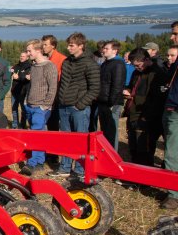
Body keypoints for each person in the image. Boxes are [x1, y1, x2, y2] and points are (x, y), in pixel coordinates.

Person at [48, 33, 100, 179]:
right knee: (66, 140)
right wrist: (60, 100)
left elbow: (95, 88)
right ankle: (65, 167)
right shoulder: (67, 62)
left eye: (71, 45)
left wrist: (80, 105)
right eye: (68, 45)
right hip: (63, 106)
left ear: (81, 46)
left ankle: (79, 169)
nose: (68, 48)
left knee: (80, 140)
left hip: (79, 108)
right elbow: (62, 84)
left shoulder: (90, 64)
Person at [123, 48, 168, 167]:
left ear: (147, 59)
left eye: (138, 65)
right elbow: (131, 86)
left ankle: (144, 178)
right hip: (133, 114)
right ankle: (135, 173)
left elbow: (157, 99)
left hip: (146, 117)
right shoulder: (137, 72)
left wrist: (145, 117)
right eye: (134, 65)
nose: (137, 68)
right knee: (133, 146)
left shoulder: (157, 74)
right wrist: (127, 91)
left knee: (145, 149)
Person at [21, 40, 58, 176]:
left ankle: (32, 164)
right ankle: (40, 162)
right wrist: (26, 102)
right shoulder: (34, 66)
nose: (28, 53)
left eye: (29, 51)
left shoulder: (49, 66)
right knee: (37, 134)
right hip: (30, 105)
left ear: (38, 50)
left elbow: (52, 89)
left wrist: (44, 107)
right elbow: (31, 86)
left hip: (41, 107)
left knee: (36, 135)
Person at [96, 40, 126, 150]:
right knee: (105, 131)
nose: (103, 50)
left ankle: (113, 156)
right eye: (104, 48)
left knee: (111, 131)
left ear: (115, 50)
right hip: (102, 101)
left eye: (106, 48)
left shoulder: (118, 64)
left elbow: (117, 85)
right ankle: (107, 155)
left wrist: (112, 103)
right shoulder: (105, 64)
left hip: (111, 103)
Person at [160, 22, 178, 208]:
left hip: (175, 110)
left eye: (175, 34)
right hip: (171, 108)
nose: (172, 37)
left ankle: (173, 194)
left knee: (173, 153)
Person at [9, 51, 32, 128]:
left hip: (23, 92)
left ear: (27, 57)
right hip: (14, 91)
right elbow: (10, 71)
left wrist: (18, 77)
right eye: (21, 56)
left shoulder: (29, 66)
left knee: (24, 109)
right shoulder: (16, 66)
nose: (21, 57)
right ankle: (15, 124)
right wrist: (11, 73)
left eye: (23, 56)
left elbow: (27, 77)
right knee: (14, 109)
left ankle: (22, 125)